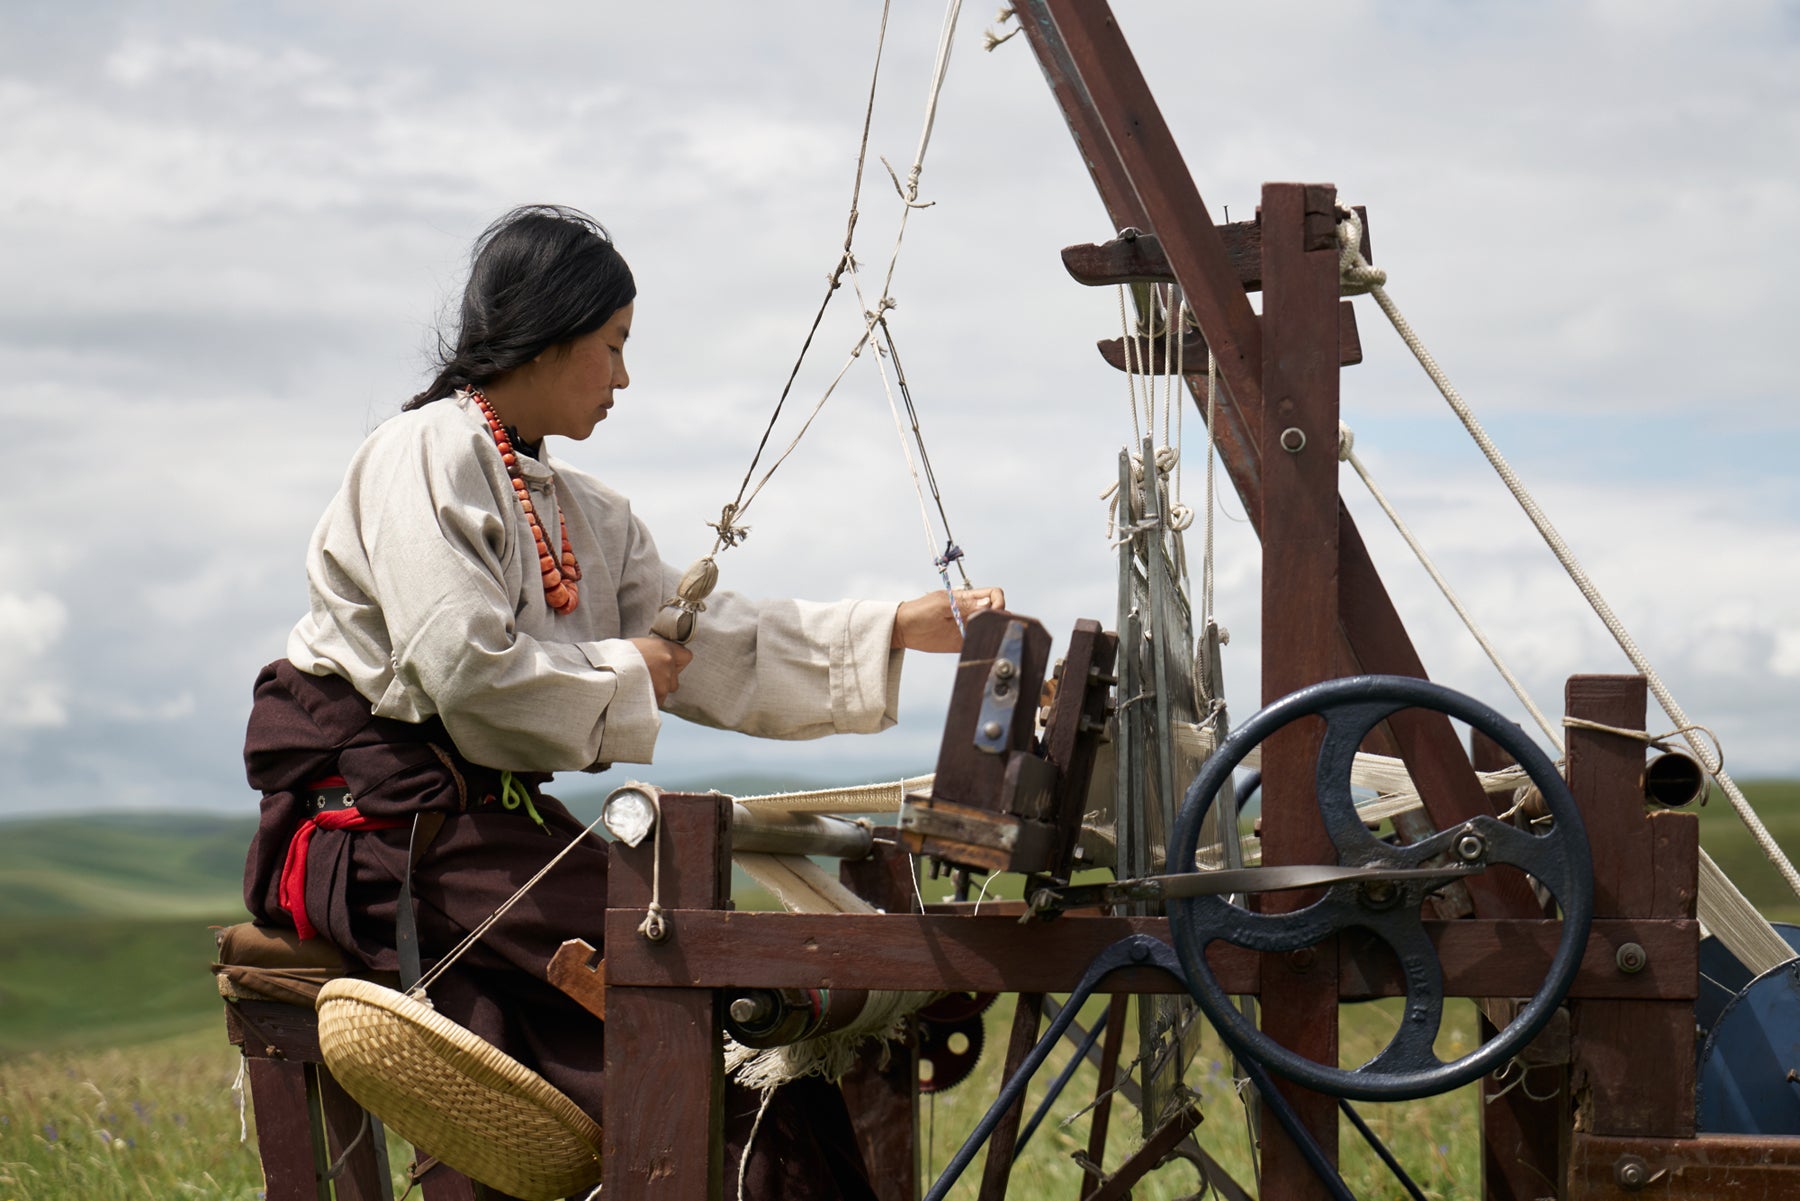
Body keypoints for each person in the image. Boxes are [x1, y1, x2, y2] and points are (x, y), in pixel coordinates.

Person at [240, 204, 1000, 1200]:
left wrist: (897, 626)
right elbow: (464, 670)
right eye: (613, 345)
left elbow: (717, 642)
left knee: (706, 1019)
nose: (624, 376)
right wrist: (629, 669)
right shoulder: (421, 453)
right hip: (393, 838)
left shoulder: (586, 514)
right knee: (699, 991)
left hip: (483, 838)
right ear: (549, 335)